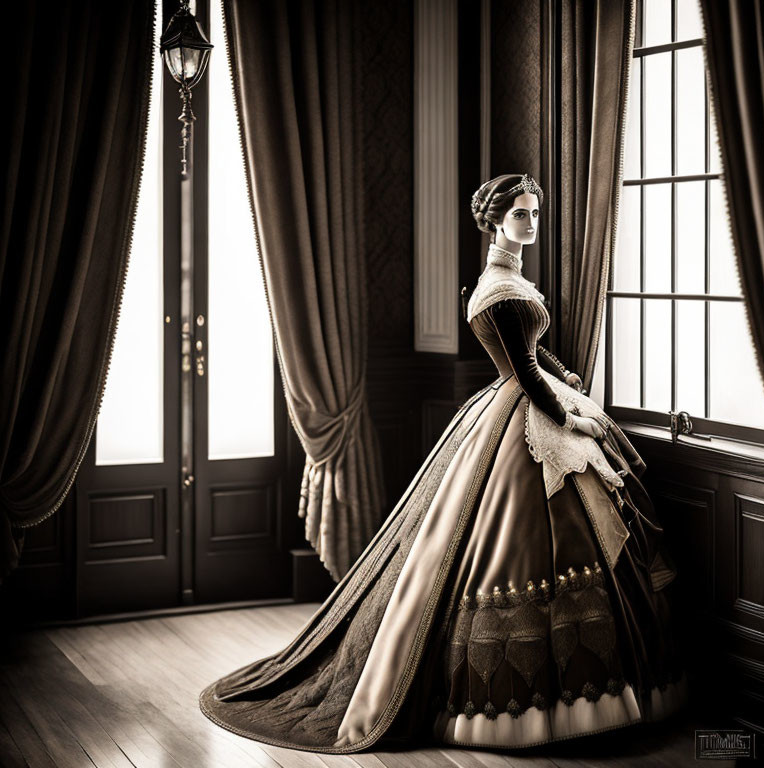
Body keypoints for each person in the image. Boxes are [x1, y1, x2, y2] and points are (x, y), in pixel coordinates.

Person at [199, 173, 687, 753]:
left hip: (528, 401)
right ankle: (528, 705)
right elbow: (523, 372)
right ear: (497, 221)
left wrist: (565, 376)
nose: (532, 224)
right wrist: (571, 413)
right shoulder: (496, 289)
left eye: (535, 214)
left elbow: (533, 353)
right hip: (521, 413)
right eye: (522, 216)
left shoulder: (507, 281)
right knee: (514, 543)